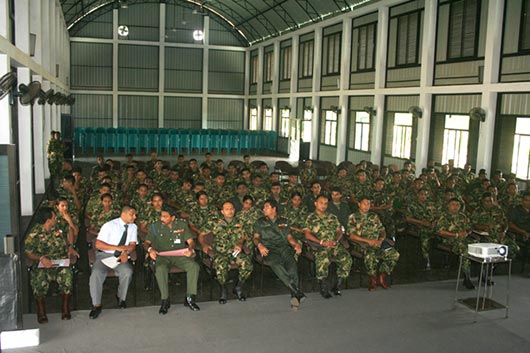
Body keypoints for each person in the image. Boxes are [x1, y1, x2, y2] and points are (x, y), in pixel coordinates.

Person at [25, 207, 79, 323]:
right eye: (54, 217)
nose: (55, 218)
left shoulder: (58, 227)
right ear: (48, 220)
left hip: (60, 261)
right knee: (39, 279)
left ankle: (65, 308)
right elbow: (28, 253)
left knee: (67, 275)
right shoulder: (34, 234)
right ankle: (41, 311)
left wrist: (70, 247)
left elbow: (70, 230)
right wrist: (41, 258)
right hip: (43, 263)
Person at [144, 206, 200, 314]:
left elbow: (191, 241)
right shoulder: (155, 226)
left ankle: (190, 298)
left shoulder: (182, 225)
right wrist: (150, 250)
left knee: (194, 266)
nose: (162, 218)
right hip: (163, 256)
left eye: (165, 216)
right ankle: (165, 300)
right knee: (160, 269)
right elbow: (146, 243)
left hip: (179, 255)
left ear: (173, 217)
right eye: (161, 216)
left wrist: (190, 249)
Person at [254, 200, 305, 310]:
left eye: (266, 207)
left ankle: (294, 296)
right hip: (269, 249)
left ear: (273, 209)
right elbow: (256, 238)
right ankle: (296, 292)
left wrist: (296, 245)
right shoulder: (260, 222)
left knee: (292, 267)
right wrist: (260, 246)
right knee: (276, 264)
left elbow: (289, 237)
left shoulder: (284, 221)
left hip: (284, 248)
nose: (263, 209)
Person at [89, 206, 138, 319]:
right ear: (124, 214)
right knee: (96, 273)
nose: (134, 217)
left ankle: (121, 298)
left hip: (121, 256)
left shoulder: (133, 227)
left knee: (127, 271)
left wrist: (125, 252)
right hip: (104, 255)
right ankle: (96, 305)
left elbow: (132, 245)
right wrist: (118, 247)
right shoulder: (109, 225)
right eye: (132, 214)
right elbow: (98, 244)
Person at [199, 201, 253, 304]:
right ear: (222, 211)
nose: (230, 211)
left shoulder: (240, 222)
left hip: (235, 252)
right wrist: (204, 245)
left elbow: (243, 236)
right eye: (227, 209)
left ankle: (238, 287)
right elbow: (201, 235)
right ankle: (223, 290)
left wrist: (240, 244)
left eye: (232, 209)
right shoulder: (214, 222)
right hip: (220, 252)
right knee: (221, 266)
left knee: (247, 264)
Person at [303, 194, 352, 298]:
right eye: (321, 203)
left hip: (333, 245)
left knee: (346, 258)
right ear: (315, 204)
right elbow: (307, 234)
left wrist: (335, 240)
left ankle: (337, 286)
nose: (323, 206)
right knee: (323, 259)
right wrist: (321, 242)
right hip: (318, 245)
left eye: (326, 203)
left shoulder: (332, 217)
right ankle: (323, 287)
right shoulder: (310, 217)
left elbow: (339, 231)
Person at [348, 198, 400, 291]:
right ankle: (373, 280)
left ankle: (382, 276)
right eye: (364, 204)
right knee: (371, 256)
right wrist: (368, 241)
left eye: (368, 204)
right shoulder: (353, 217)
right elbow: (351, 236)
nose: (366, 206)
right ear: (359, 204)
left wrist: (380, 240)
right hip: (362, 244)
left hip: (378, 243)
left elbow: (382, 230)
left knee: (394, 254)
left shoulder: (374, 216)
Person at [435, 198, 475, 289]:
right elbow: (440, 231)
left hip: (464, 239)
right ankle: (467, 277)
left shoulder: (462, 216)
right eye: (453, 204)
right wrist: (456, 235)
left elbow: (470, 228)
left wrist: (467, 232)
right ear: (448, 206)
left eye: (457, 205)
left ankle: (483, 275)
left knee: (477, 247)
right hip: (449, 239)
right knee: (465, 250)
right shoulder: (444, 216)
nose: (455, 207)